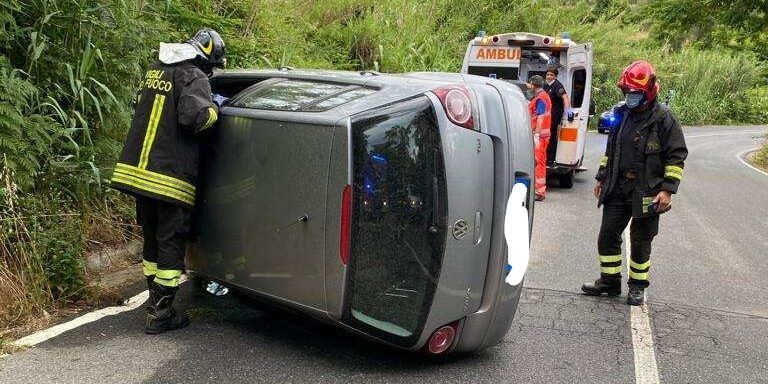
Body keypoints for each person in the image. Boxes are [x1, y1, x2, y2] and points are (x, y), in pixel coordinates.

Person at [110, 28, 226, 333]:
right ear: (205, 59)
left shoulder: (157, 71)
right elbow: (196, 118)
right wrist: (216, 107)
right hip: (169, 178)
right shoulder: (194, 77)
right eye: (212, 66)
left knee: (152, 241)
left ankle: (153, 302)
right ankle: (162, 314)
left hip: (140, 173)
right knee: (171, 243)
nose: (211, 72)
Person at [581, 61, 687, 306]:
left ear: (648, 92)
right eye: (627, 93)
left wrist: (668, 189)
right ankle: (609, 281)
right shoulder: (622, 114)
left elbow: (676, 156)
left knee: (641, 241)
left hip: (647, 191)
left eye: (635, 93)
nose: (630, 97)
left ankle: (637, 287)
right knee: (607, 236)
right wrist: (602, 177)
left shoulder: (664, 119)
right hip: (618, 188)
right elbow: (611, 149)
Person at [527, 75, 552, 201]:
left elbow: (540, 117)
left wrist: (536, 134)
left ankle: (539, 191)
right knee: (540, 162)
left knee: (538, 163)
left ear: (533, 84)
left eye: (530, 84)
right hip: (543, 135)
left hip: (540, 136)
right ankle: (538, 190)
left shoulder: (541, 98)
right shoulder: (542, 96)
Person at [543, 66, 573, 163]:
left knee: (551, 136)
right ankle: (544, 156)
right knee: (545, 135)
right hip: (546, 115)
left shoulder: (557, 85)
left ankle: (550, 158)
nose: (549, 76)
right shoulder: (546, 85)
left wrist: (568, 111)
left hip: (554, 115)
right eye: (548, 74)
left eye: (551, 75)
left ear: (555, 76)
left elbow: (565, 98)